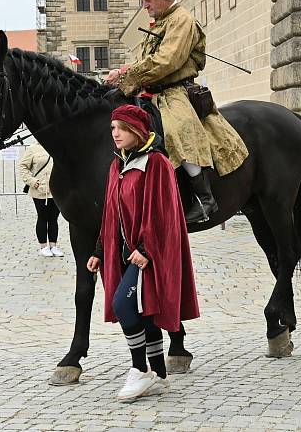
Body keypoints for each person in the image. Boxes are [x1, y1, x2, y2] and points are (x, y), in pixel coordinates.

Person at [105, 0, 248, 224]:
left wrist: (127, 72)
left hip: (175, 93)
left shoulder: (181, 20)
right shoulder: (160, 22)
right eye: (143, 0)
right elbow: (146, 61)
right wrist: (123, 75)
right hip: (151, 93)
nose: (144, 5)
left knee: (177, 132)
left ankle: (204, 200)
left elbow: (167, 61)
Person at [88, 105, 199, 401]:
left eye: (121, 128)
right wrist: (100, 249)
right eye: (112, 128)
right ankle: (160, 375)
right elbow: (111, 212)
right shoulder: (117, 165)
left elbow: (163, 212)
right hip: (124, 252)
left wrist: (146, 248)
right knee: (143, 312)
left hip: (148, 253)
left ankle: (140, 370)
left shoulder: (157, 163)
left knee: (123, 306)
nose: (115, 134)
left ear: (137, 130)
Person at [18, 142, 64, 257]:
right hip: (40, 190)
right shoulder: (32, 149)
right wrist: (32, 181)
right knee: (43, 217)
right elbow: (23, 167)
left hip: (56, 190)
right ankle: (43, 246)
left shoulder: (56, 146)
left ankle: (53, 245)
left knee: (54, 218)